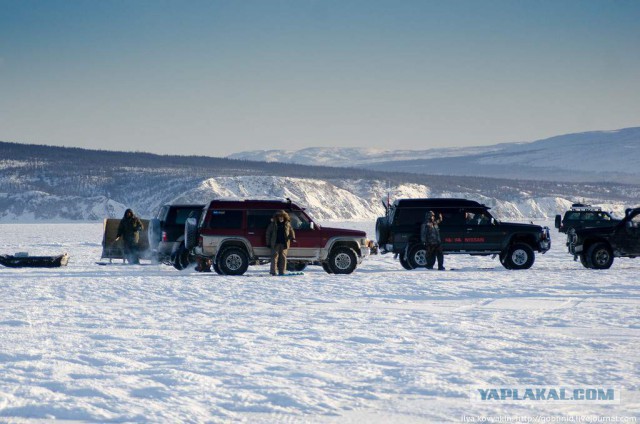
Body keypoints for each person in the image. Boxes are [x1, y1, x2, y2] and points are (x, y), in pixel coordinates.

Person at [266, 210, 296, 275]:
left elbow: (291, 231)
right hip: (275, 243)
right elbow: (268, 233)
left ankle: (282, 272)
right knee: (274, 257)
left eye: (282, 216)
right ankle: (273, 272)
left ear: (285, 217)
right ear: (277, 217)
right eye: (279, 217)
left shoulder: (287, 224)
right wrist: (268, 243)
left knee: (283, 258)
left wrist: (292, 237)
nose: (281, 218)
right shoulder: (273, 224)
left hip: (284, 243)